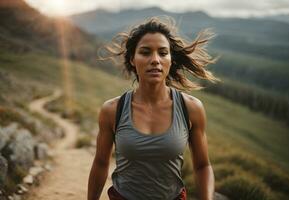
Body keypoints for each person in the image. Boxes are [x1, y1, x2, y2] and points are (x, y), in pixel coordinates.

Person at [87, 17, 219, 200]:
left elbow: (203, 166)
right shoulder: (112, 110)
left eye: (163, 53)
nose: (155, 60)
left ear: (171, 60)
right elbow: (101, 163)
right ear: (132, 59)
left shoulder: (191, 108)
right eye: (145, 52)